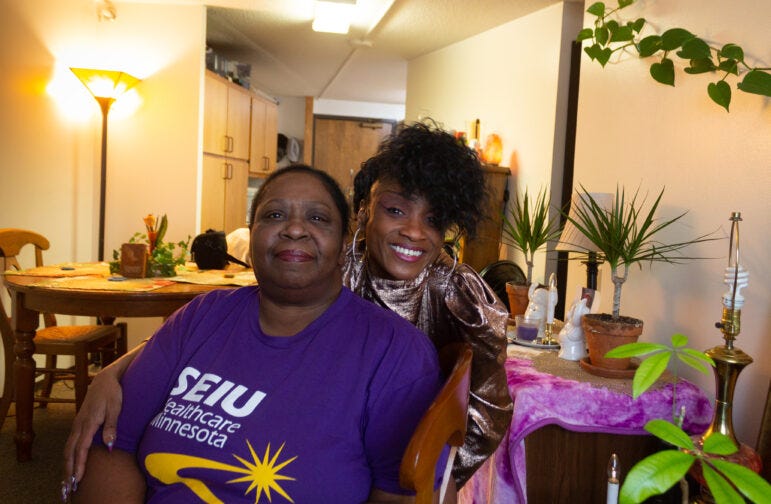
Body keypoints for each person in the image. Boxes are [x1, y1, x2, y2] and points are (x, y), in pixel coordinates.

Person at [64, 121, 513, 490]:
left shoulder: (461, 296)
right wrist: (114, 371)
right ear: (364, 214)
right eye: (396, 211)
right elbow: (209, 337)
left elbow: (486, 412)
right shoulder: (333, 261)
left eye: (433, 220)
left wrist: (436, 476)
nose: (414, 232)